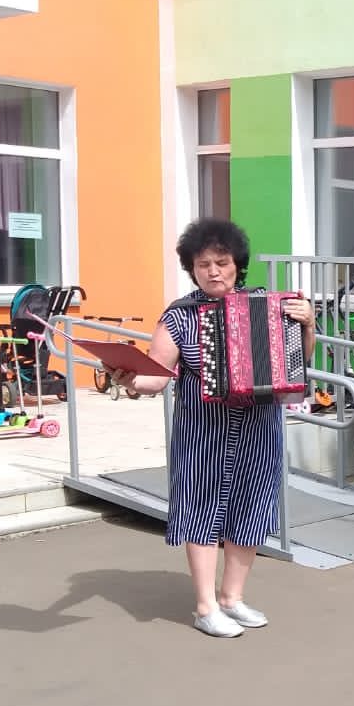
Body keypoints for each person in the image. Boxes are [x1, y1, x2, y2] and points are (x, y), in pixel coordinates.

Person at [112, 218, 316, 638]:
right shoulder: (179, 316)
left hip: (258, 427)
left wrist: (309, 324)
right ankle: (205, 606)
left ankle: (231, 598)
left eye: (221, 262)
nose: (213, 271)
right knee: (201, 510)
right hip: (202, 430)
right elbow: (156, 376)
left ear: (237, 264)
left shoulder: (270, 304)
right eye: (203, 264)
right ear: (192, 268)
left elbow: (297, 360)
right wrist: (130, 381)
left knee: (251, 510)